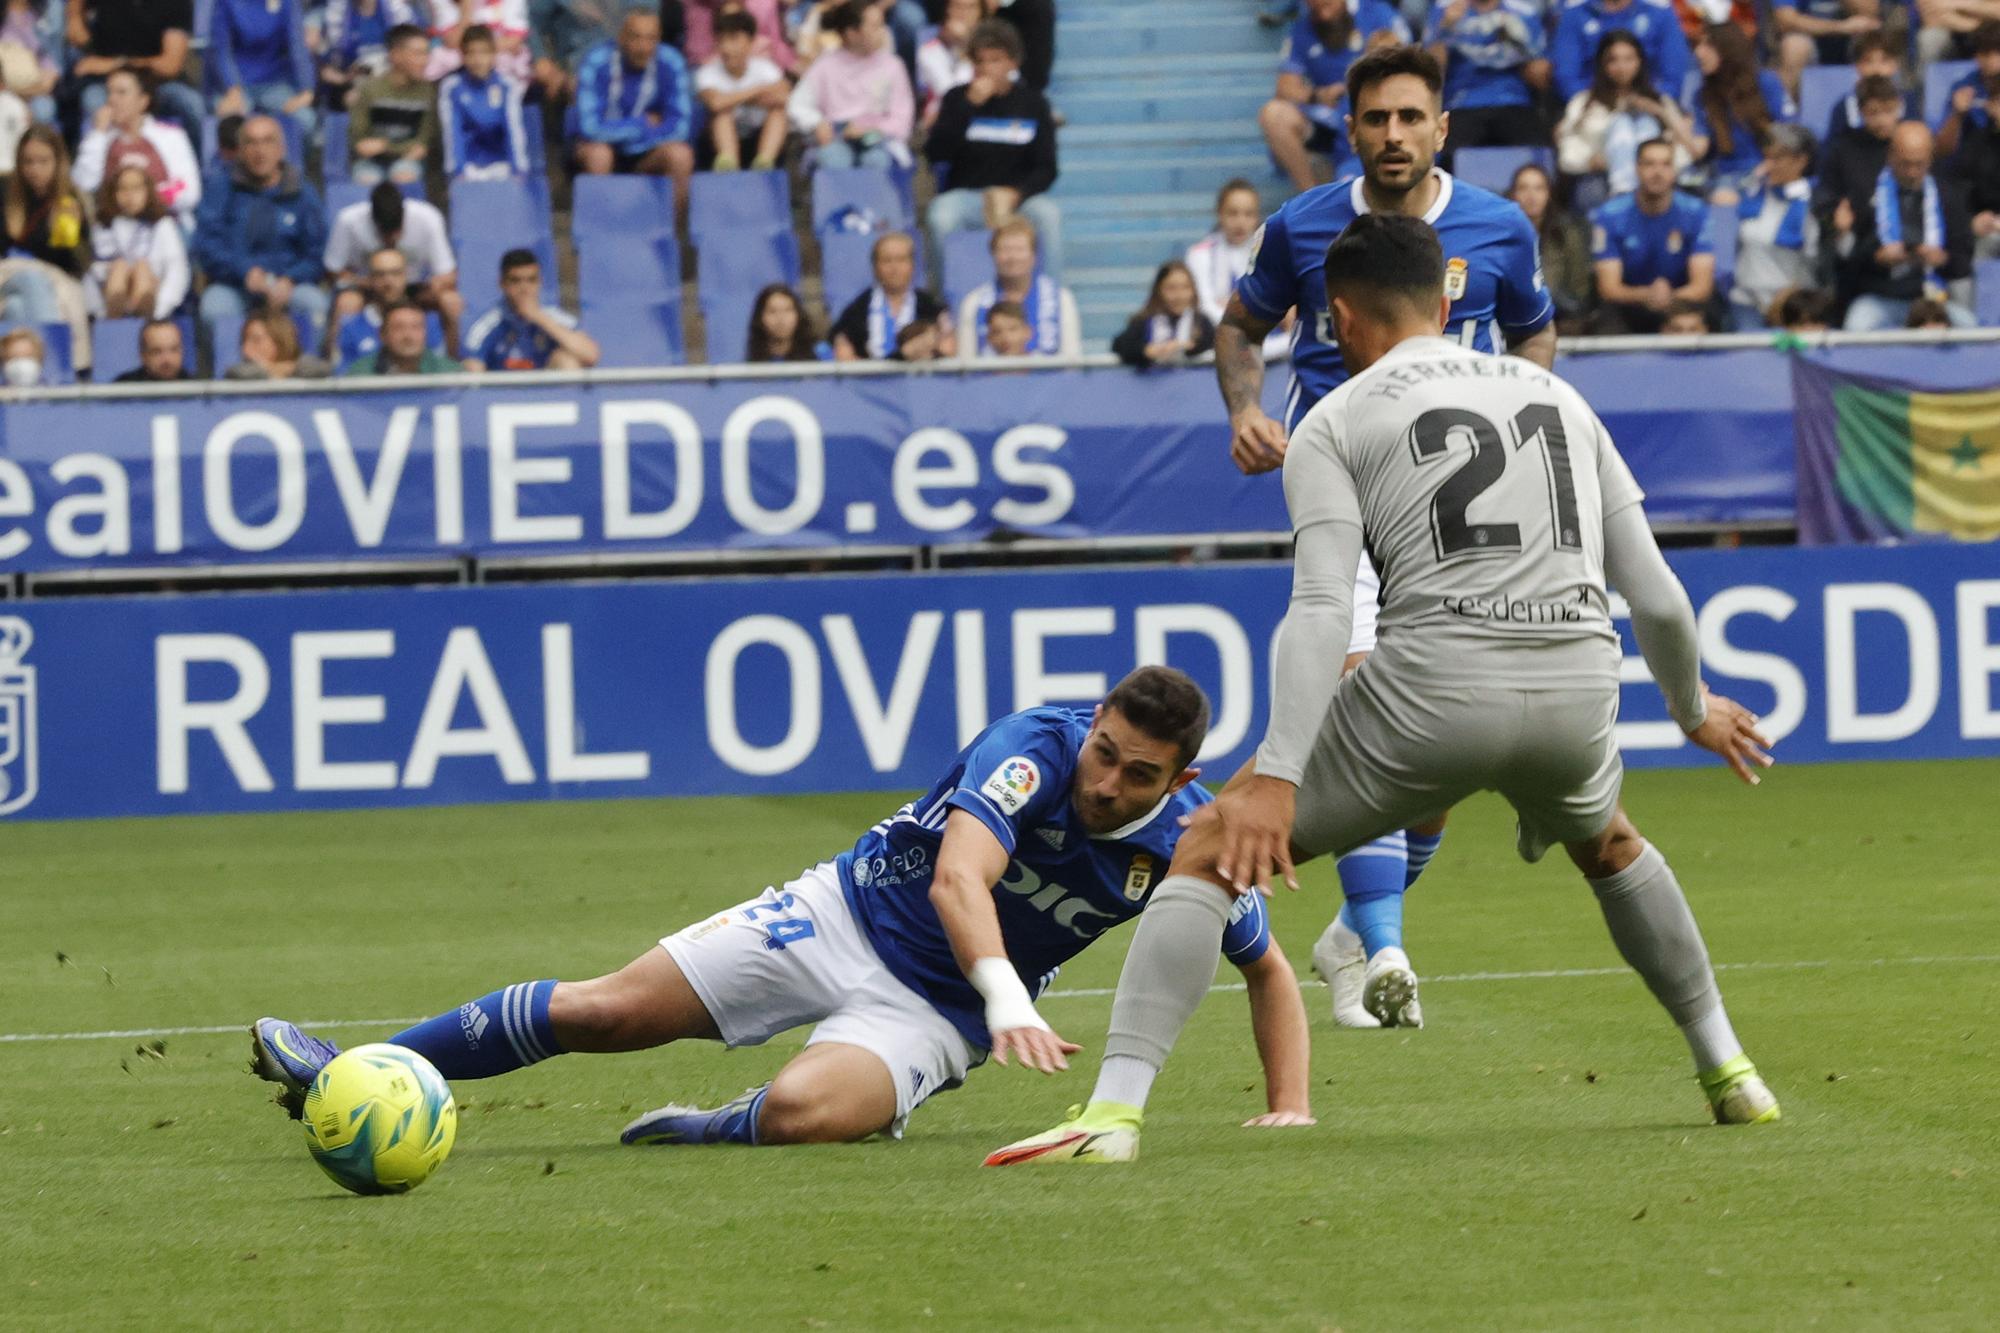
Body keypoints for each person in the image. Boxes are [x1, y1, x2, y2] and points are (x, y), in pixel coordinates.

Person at [989, 213, 1782, 1167]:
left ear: (1340, 317)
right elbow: (1656, 594)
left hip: (1434, 692)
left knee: (1208, 843)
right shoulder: (1556, 396)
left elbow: (1324, 608)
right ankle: (1730, 1068)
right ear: (1449, 300)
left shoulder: (1338, 414)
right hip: (1579, 683)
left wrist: (1276, 774)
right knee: (1609, 843)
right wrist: (1694, 709)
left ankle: (1112, 1116)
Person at [251, 667, 1319, 1146]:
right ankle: (352, 1071)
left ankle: (714, 1126)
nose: (1103, 785)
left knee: (809, 1114)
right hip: (841, 914)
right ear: (1088, 726)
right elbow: (959, 877)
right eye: (1102, 753)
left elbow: (1264, 966)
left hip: (929, 1015)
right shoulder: (1032, 743)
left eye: (1136, 775)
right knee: (602, 1012)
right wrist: (1009, 996)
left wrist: (1289, 1103)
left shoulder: (1190, 844)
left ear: (1178, 778)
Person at [1214, 45, 1555, 1026]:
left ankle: (1352, 932)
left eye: (1412, 118)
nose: (1393, 135)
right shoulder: (1301, 225)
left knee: (1441, 748)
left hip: (1459, 513)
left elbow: (1533, 330)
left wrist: (1533, 408)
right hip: (1344, 487)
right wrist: (1243, 409)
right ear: (1350, 130)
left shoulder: (1496, 228)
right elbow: (1238, 328)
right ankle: (1384, 945)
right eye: (1375, 120)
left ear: (1440, 127)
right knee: (1364, 695)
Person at [923, 20, 1060, 277]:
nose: (987, 69)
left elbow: (1047, 167)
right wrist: (968, 107)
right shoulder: (956, 99)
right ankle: (944, 301)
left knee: (1048, 215)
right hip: (968, 196)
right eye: (980, 62)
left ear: (1013, 63)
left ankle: (1049, 297)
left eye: (995, 61)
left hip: (1018, 199)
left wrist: (1018, 194)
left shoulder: (1033, 104)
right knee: (939, 216)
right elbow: (936, 153)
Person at [193, 115, 331, 340]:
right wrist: (244, 272)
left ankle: (306, 372)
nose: (260, 151)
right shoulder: (220, 188)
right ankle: (230, 373)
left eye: (268, 141)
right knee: (214, 309)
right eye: (251, 143)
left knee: (314, 304)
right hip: (235, 284)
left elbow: (317, 251)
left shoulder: (303, 192)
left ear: (281, 149)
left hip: (289, 285)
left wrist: (290, 279)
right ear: (240, 150)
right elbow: (207, 244)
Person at [1831, 121, 1976, 329]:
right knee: (1857, 327)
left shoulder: (1949, 196)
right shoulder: (1865, 194)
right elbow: (1845, 263)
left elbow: (1963, 257)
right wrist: (1876, 257)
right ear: (1890, 156)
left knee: (1969, 326)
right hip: (1881, 296)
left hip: (1934, 298)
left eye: (1920, 164)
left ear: (1931, 158)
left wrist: (1943, 258)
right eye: (1905, 163)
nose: (1912, 172)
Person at [1261, 0, 1410, 193]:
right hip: (1332, 117)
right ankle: (1311, 198)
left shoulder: (1377, 14)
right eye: (1316, 9)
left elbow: (1409, 60)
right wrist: (1318, 95)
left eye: (1328, 6)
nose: (1324, 16)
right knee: (1273, 115)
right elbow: (1284, 87)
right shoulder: (1302, 28)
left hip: (1378, 110)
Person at [573, 6, 696, 214]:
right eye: (636, 37)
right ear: (621, 37)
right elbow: (590, 128)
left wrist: (635, 135)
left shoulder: (672, 62)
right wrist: (640, 125)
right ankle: (601, 233)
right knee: (599, 155)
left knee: (681, 156)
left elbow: (681, 127)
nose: (643, 46)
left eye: (651, 39)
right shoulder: (595, 62)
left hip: (649, 153)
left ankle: (671, 236)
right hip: (602, 148)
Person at [1589, 137, 1716, 332]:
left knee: (1716, 313)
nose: (1657, 172)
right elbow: (1609, 288)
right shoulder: (1610, 215)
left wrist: (1669, 297)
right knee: (1605, 323)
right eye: (1649, 164)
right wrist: (1646, 295)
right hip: (1630, 303)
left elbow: (1701, 286)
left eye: (1666, 164)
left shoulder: (1696, 211)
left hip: (1680, 300)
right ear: (1636, 168)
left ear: (1674, 171)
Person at [1556, 31, 1696, 202]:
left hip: (1657, 181)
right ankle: (1624, 197)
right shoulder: (1583, 103)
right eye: (1613, 60)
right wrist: (1589, 161)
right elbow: (1567, 150)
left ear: (1640, 61)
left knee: (1646, 124)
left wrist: (1660, 113)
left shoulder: (1660, 101)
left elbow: (1687, 151)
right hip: (1601, 178)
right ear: (1603, 64)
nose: (1622, 67)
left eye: (1629, 59)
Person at [325, 182, 463, 352]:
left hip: (414, 287)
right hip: (368, 287)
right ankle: (336, 364)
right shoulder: (349, 220)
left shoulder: (428, 219)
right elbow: (333, 270)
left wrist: (436, 284)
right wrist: (368, 282)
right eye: (385, 233)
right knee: (346, 302)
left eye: (396, 231)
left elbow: (448, 273)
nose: (391, 239)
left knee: (450, 301)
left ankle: (454, 364)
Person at [4, 125, 93, 375]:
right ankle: (59, 367)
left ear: (58, 161)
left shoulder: (71, 199)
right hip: (7, 276)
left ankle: (27, 375)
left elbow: (77, 266)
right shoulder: (5, 192)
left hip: (51, 284)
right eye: (28, 162)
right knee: (32, 280)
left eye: (43, 161)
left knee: (17, 309)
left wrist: (67, 239)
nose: (35, 170)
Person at [788, 1, 914, 169]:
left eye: (882, 25)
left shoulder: (892, 66)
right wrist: (817, 123)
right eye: (875, 27)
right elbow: (797, 104)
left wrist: (869, 129)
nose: (883, 32)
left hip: (880, 139)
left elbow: (903, 117)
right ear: (852, 33)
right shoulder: (825, 65)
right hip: (837, 137)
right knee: (834, 160)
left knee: (876, 160)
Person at [72, 69, 203, 224]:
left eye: (121, 93)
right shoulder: (99, 140)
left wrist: (144, 199)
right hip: (115, 229)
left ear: (143, 100)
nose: (112, 99)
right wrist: (98, 134)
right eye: (109, 92)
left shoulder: (170, 136)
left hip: (164, 223)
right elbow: (83, 186)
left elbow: (189, 191)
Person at [1683, 23, 1794, 203]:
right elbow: (1698, 150)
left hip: (1765, 168)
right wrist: (1666, 113)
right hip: (1723, 173)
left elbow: (1789, 135)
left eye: (1707, 46)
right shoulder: (1702, 95)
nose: (1698, 53)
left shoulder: (1766, 83)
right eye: (1697, 45)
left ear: (1729, 49)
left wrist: (1770, 166)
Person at [1426, 0, 1550, 159]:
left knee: (1538, 156)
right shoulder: (1445, 10)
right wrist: (1445, 30)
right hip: (1462, 103)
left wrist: (1522, 43)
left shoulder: (1524, 13)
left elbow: (1540, 79)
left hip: (1514, 102)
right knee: (1446, 156)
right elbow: (1432, 73)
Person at [1730, 123, 1819, 329]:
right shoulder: (1755, 196)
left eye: (1777, 159)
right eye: (1766, 157)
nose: (1768, 166)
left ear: (1801, 161)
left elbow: (1818, 268)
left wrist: (1786, 301)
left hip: (1792, 305)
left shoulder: (1814, 205)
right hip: (1746, 300)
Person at [1186, 179, 1290, 357]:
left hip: (1270, 341)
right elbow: (1205, 306)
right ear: (1219, 214)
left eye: (1248, 214)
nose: (1240, 222)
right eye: (1232, 213)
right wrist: (1241, 329)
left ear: (1257, 216)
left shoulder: (1270, 251)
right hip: (1220, 342)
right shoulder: (1199, 254)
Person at [67, 0, 207, 131]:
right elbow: (76, 12)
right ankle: (97, 155)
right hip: (106, 81)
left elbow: (169, 66)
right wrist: (74, 19)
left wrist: (118, 63)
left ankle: (191, 157)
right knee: (92, 100)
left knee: (192, 104)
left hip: (157, 83)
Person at [954, 216, 1079, 356]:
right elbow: (966, 363)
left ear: (1034, 256)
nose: (1012, 258)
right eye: (1005, 250)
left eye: (1020, 249)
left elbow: (1072, 361)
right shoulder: (974, 303)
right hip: (989, 378)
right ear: (993, 255)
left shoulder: (1061, 299)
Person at [463, 247, 601, 369]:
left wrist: (538, 317)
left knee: (567, 360)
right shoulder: (488, 323)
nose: (524, 288)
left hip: (547, 395)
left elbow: (590, 354)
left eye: (531, 280)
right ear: (502, 284)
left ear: (540, 283)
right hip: (501, 395)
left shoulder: (554, 317)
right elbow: (472, 371)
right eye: (515, 281)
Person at [831, 231, 953, 360]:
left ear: (913, 265)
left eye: (901, 260)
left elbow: (948, 349)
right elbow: (843, 353)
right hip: (871, 379)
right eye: (887, 261)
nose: (894, 268)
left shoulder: (930, 306)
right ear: (875, 267)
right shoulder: (857, 309)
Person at [88, 164, 189, 320]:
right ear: (112, 193)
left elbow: (177, 271)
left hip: (156, 300)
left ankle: (144, 315)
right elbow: (92, 271)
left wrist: (160, 310)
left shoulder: (162, 224)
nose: (130, 195)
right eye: (123, 189)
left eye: (136, 188)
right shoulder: (103, 225)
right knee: (119, 268)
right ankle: (115, 318)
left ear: (148, 191)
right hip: (108, 297)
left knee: (141, 268)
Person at [694, 9, 789, 172]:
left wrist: (731, 98)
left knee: (778, 114)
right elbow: (716, 103)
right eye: (721, 40)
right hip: (717, 145)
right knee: (722, 114)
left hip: (758, 139)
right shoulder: (706, 73)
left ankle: (764, 164)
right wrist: (759, 90)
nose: (726, 48)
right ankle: (728, 166)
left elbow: (783, 97)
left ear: (751, 42)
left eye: (734, 39)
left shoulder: (766, 69)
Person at [1551, 0, 1692, 106]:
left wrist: (1644, 101)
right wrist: (1601, 102)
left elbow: (1673, 78)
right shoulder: (1575, 14)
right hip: (1591, 107)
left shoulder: (1660, 12)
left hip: (1650, 105)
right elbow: (1566, 77)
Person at [348, 23, 439, 186]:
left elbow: (421, 145)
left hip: (409, 162)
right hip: (371, 163)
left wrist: (385, 146)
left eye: (426, 54)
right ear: (395, 55)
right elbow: (360, 142)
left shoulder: (427, 92)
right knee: (367, 180)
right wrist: (372, 147)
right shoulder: (369, 89)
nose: (425, 61)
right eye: (418, 54)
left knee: (403, 175)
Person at [206, 0, 317, 134]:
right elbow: (221, 50)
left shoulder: (288, 2)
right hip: (237, 85)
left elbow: (297, 45)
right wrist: (233, 90)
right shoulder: (226, 2)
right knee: (229, 124)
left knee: (306, 120)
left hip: (276, 84)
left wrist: (307, 90)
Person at [329, 246, 448, 370]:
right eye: (380, 274)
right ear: (369, 279)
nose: (388, 281)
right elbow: (343, 377)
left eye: (395, 273)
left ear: (406, 276)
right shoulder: (351, 327)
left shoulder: (428, 323)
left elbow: (438, 371)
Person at [441, 24, 534, 180]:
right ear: (462, 56)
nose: (478, 60)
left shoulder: (508, 86)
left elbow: (513, 128)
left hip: (503, 165)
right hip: (468, 167)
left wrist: (518, 170)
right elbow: (452, 132)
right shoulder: (452, 87)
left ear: (493, 55)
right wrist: (457, 172)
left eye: (484, 53)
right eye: (471, 53)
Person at [1508, 162, 1594, 327]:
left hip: (1561, 320)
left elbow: (1580, 287)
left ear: (1549, 194)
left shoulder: (1566, 234)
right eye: (1523, 188)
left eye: (1539, 188)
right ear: (1513, 194)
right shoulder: (1499, 235)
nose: (1531, 196)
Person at [1111, 260, 1215, 369]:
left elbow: (1212, 343)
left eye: (1185, 287)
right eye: (1171, 288)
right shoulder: (1145, 321)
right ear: (1159, 290)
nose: (1179, 296)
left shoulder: (1201, 322)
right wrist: (1148, 351)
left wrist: (1186, 347)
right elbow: (1120, 345)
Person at [1773, 0, 1884, 95]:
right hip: (1811, 40)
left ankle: (1876, 102)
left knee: (1870, 33)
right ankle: (1788, 113)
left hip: (1853, 38)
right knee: (1794, 46)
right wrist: (1840, 28)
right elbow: (1785, 21)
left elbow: (1870, 11)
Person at [320, 0, 424, 102]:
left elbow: (418, 52)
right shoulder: (337, 15)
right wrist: (344, 78)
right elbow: (325, 68)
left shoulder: (399, 13)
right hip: (354, 87)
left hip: (395, 84)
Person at [1824, 31, 1917, 142]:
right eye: (1868, 61)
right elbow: (1832, 149)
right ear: (1857, 66)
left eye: (1884, 60)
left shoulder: (1909, 101)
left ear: (1895, 64)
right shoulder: (1844, 106)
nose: (1876, 69)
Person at [1935, 22, 2000, 160]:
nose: (1994, 60)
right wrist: (1957, 115)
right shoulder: (1963, 87)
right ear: (1977, 56)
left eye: (1998, 52)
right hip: (1972, 168)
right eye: (1986, 52)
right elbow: (1942, 150)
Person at [342, 299, 464, 373]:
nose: (408, 336)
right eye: (399, 328)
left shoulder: (449, 373)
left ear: (425, 333)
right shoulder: (361, 374)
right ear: (382, 335)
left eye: (416, 327)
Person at [423, 0, 532, 82]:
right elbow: (453, 41)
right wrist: (466, 7)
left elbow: (514, 40)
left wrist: (482, 50)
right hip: (463, 57)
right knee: (441, 57)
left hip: (499, 55)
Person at [1952, 74, 2000, 260]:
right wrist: (1971, 222)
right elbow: (1957, 193)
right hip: (1988, 231)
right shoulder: (1976, 144)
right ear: (1989, 105)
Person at [916, 0, 980, 127]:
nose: (964, 13)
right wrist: (964, 46)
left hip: (984, 117)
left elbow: (1011, 79)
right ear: (947, 9)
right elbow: (950, 95)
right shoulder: (929, 49)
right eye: (958, 7)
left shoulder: (992, 44)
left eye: (970, 8)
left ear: (980, 11)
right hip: (943, 121)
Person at [224, 309, 332, 379]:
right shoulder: (241, 372)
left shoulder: (305, 364)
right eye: (244, 341)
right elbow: (235, 373)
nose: (246, 349)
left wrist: (278, 369)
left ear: (280, 340)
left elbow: (323, 370)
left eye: (256, 340)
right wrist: (272, 369)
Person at [1, 0, 63, 123]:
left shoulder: (45, 14)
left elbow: (52, 71)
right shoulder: (4, 20)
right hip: (5, 89)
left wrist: (32, 91)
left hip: (36, 91)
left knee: (43, 108)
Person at [745, 282, 821, 361]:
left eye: (787, 310)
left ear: (798, 314)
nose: (781, 319)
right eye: (772, 311)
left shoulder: (820, 353)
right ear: (760, 318)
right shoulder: (755, 362)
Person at [112, 316, 188, 381]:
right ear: (143, 355)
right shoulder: (123, 390)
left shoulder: (196, 389)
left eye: (173, 350)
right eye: (157, 352)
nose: (166, 359)